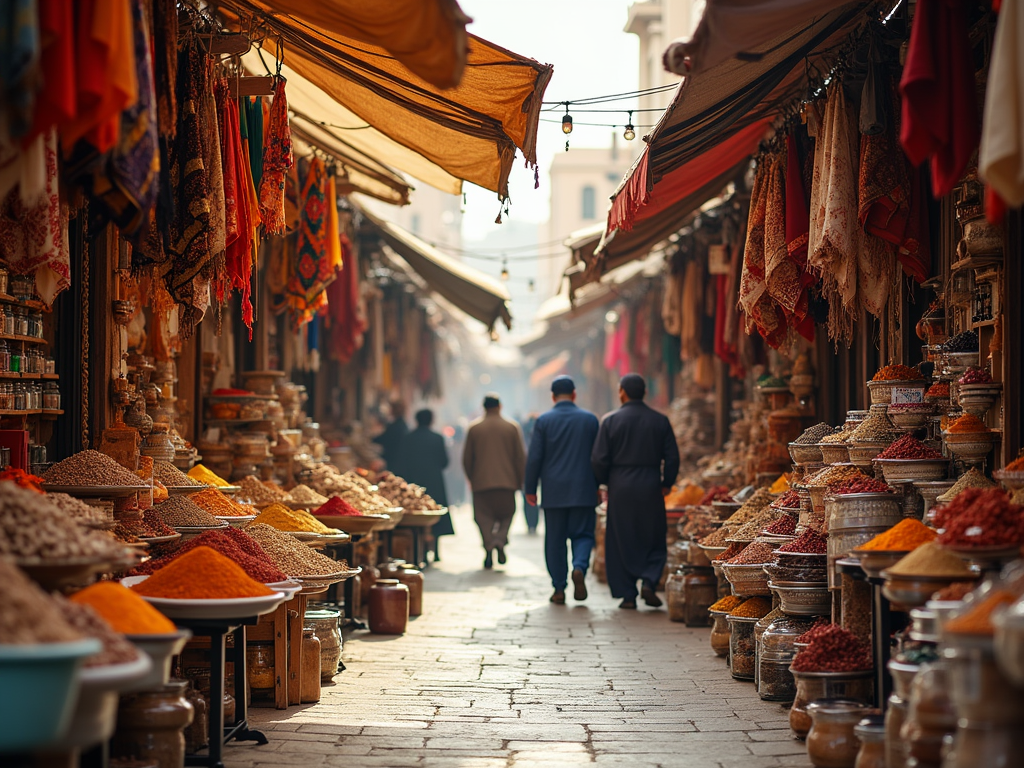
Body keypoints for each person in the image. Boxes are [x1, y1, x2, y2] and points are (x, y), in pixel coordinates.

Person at [591, 373, 680, 610]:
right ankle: (650, 580)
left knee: (621, 536)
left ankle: (627, 593)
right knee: (652, 533)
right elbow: (672, 457)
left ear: (622, 392)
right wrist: (666, 483)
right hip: (650, 483)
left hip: (620, 485)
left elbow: (599, 459)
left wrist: (603, 482)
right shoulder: (660, 420)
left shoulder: (610, 421)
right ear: (645, 393)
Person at [524, 375, 600, 605]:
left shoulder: (544, 421)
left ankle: (559, 588)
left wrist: (530, 487)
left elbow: (535, 456)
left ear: (553, 396)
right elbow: (599, 457)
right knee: (584, 535)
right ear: (574, 394)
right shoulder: (590, 420)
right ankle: (579, 567)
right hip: (584, 490)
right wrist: (600, 484)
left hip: (554, 492)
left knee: (555, 541)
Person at [462, 393, 526, 569]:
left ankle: (489, 545)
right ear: (500, 406)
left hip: (481, 484)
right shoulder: (511, 427)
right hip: (507, 483)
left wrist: (472, 478)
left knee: (483, 519)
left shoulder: (474, 428)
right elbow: (520, 458)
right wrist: (519, 481)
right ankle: (499, 540)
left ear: (484, 407)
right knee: (507, 516)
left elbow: (467, 459)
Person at [399, 409, 454, 560]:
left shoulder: (408, 438)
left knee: (416, 515)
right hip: (434, 481)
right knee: (434, 514)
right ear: (431, 420)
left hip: (414, 482)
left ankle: (419, 551)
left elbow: (402, 462)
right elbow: (444, 462)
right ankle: (436, 551)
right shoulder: (437, 438)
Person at [373, 399, 409, 474]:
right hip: (396, 458)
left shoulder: (396, 426)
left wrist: (371, 438)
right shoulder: (401, 425)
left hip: (394, 459)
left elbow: (384, 438)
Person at [521, 414, 540, 533]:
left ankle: (530, 524)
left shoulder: (522, 434)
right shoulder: (541, 431)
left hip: (525, 471)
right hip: (539, 470)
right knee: (535, 500)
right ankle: (534, 523)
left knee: (527, 499)